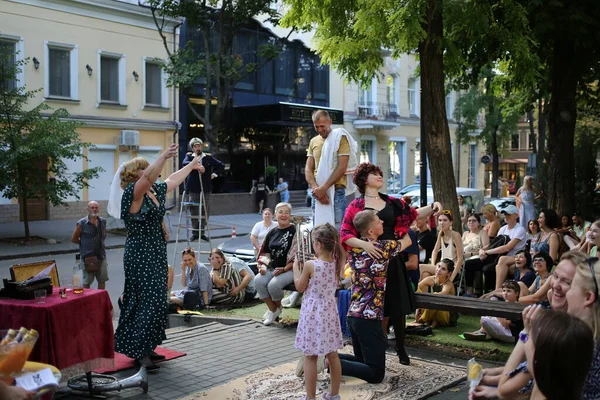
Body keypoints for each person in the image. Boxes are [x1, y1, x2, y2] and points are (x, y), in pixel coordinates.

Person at [108, 143, 203, 370]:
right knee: (145, 300)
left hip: (155, 250)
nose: (150, 169)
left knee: (158, 300)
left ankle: (148, 346)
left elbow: (172, 180)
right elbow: (148, 179)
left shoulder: (152, 191)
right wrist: (162, 156)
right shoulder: (133, 192)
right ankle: (138, 350)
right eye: (145, 167)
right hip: (140, 252)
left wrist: (191, 165)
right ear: (134, 174)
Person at [340, 162, 442, 366]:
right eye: (374, 173)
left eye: (380, 172)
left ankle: (401, 347)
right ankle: (374, 345)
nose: (379, 176)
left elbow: (413, 213)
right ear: (363, 179)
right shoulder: (356, 206)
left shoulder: (391, 202)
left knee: (397, 306)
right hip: (370, 258)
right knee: (372, 303)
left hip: (393, 255)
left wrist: (432, 207)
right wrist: (365, 245)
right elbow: (344, 234)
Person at [340, 210, 412, 382]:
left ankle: (328, 359)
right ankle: (328, 363)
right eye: (379, 221)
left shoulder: (354, 248)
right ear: (371, 231)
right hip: (369, 318)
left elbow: (344, 236)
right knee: (376, 374)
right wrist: (401, 225)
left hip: (354, 315)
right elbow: (408, 241)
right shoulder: (383, 247)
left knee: (362, 360)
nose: (382, 223)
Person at [293, 223, 345, 400]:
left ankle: (310, 397)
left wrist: (295, 269)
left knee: (310, 355)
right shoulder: (337, 261)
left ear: (319, 245)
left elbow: (300, 287)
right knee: (333, 354)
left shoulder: (310, 265)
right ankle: (334, 394)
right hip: (329, 311)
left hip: (313, 313)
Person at [497, 307, 593, 400]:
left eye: (528, 337)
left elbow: (503, 391)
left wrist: (525, 331)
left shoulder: (540, 385)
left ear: (537, 357)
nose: (526, 341)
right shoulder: (555, 384)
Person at [306, 109, 358, 226]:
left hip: (336, 190)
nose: (319, 130)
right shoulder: (313, 141)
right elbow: (308, 168)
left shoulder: (340, 138)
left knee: (337, 229)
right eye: (316, 126)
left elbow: (341, 167)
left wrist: (324, 188)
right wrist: (316, 189)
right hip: (317, 192)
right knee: (318, 229)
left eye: (322, 126)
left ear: (330, 122)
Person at [464, 204, 527, 295]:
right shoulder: (502, 229)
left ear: (516, 216)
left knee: (488, 269)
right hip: (496, 256)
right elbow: (494, 244)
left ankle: (491, 293)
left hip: (512, 257)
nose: (506, 216)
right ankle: (469, 291)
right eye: (504, 214)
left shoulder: (520, 229)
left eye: (508, 214)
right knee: (469, 264)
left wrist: (487, 252)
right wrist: (482, 250)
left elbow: (507, 247)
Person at [255, 202, 296, 325]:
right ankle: (274, 310)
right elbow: (265, 252)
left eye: (287, 213)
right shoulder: (272, 232)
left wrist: (284, 268)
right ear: (275, 215)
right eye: (280, 212)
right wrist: (263, 266)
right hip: (272, 267)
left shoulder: (296, 231)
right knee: (258, 280)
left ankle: (275, 312)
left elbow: (299, 256)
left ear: (290, 215)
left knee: (273, 285)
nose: (283, 215)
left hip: (290, 269)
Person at [566, 256, 600, 399]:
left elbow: (507, 390)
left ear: (588, 297)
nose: (567, 292)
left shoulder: (578, 347)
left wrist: (527, 339)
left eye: (572, 286)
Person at [182, 137, 224, 242]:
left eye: (199, 146)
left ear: (202, 147)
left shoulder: (208, 158)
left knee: (205, 211)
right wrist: (196, 166)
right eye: (195, 146)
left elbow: (221, 165)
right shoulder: (189, 157)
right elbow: (184, 163)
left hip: (206, 188)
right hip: (193, 188)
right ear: (192, 148)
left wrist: (214, 174)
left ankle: (202, 233)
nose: (197, 148)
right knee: (194, 210)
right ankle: (195, 233)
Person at [71, 200, 108, 289]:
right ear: (88, 209)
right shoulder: (82, 223)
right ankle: (87, 299)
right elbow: (74, 238)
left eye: (96, 208)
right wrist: (84, 244)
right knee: (87, 281)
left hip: (101, 255)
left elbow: (104, 235)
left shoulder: (102, 221)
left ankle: (100, 299)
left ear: (99, 209)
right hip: (88, 257)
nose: (94, 210)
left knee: (102, 280)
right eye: (92, 207)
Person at [419, 210, 464, 283]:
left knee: (420, 267)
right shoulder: (441, 233)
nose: (441, 223)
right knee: (425, 274)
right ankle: (424, 294)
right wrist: (433, 266)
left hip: (452, 268)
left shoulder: (456, 235)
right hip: (441, 266)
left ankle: (415, 291)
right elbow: (435, 251)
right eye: (440, 220)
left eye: (445, 220)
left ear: (451, 223)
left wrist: (451, 278)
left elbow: (460, 259)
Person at [415, 259, 458, 329]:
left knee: (435, 296)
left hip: (446, 315)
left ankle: (422, 320)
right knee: (418, 290)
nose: (439, 269)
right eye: (439, 266)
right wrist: (418, 308)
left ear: (449, 273)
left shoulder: (448, 284)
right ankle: (429, 320)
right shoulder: (430, 279)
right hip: (432, 309)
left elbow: (441, 295)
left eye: (443, 269)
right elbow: (416, 289)